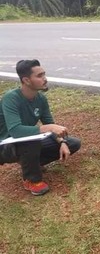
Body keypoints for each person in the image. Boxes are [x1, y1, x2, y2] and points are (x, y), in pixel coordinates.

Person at [0, 59, 81, 196]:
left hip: (26, 142)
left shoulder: (41, 99)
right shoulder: (11, 98)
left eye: (44, 74)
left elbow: (49, 123)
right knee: (31, 141)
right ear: (26, 80)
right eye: (39, 76)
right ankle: (32, 180)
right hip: (5, 145)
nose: (45, 79)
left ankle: (30, 164)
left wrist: (61, 142)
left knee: (72, 143)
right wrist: (47, 128)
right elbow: (16, 131)